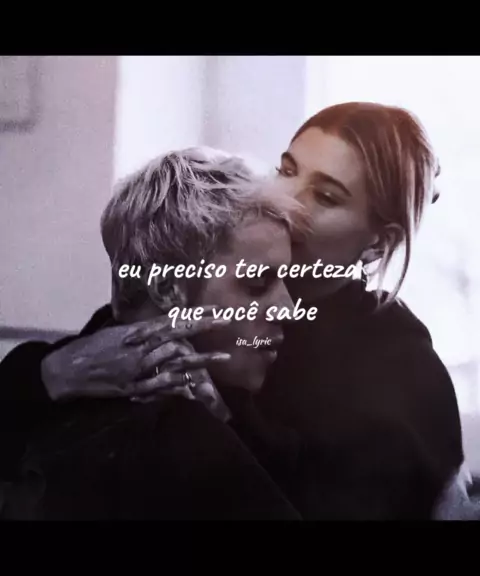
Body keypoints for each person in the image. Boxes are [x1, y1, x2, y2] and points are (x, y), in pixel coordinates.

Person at [0, 102, 465, 519]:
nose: (288, 199)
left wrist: (220, 425)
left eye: (326, 196)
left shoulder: (401, 372)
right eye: (286, 171)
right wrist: (54, 373)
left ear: (378, 244)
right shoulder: (210, 292)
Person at [0, 146, 307, 520]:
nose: (288, 309)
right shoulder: (161, 442)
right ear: (165, 288)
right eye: (257, 283)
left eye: (286, 281)